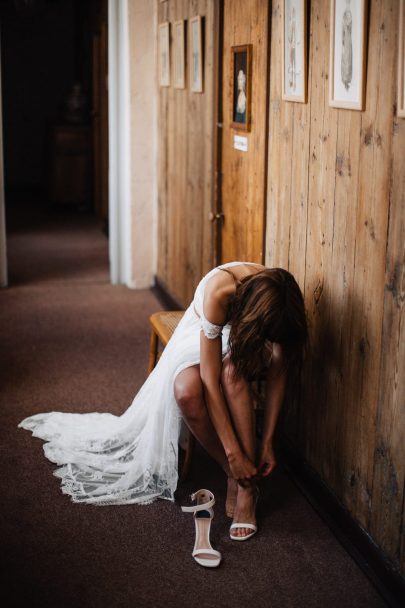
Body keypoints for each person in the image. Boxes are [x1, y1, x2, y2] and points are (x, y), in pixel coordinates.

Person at [19, 262, 307, 540]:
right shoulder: (221, 291)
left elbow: (279, 369)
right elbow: (209, 381)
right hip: (204, 330)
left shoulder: (280, 301)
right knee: (186, 391)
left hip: (245, 334)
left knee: (233, 372)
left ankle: (248, 488)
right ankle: (232, 471)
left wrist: (268, 440)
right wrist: (233, 454)